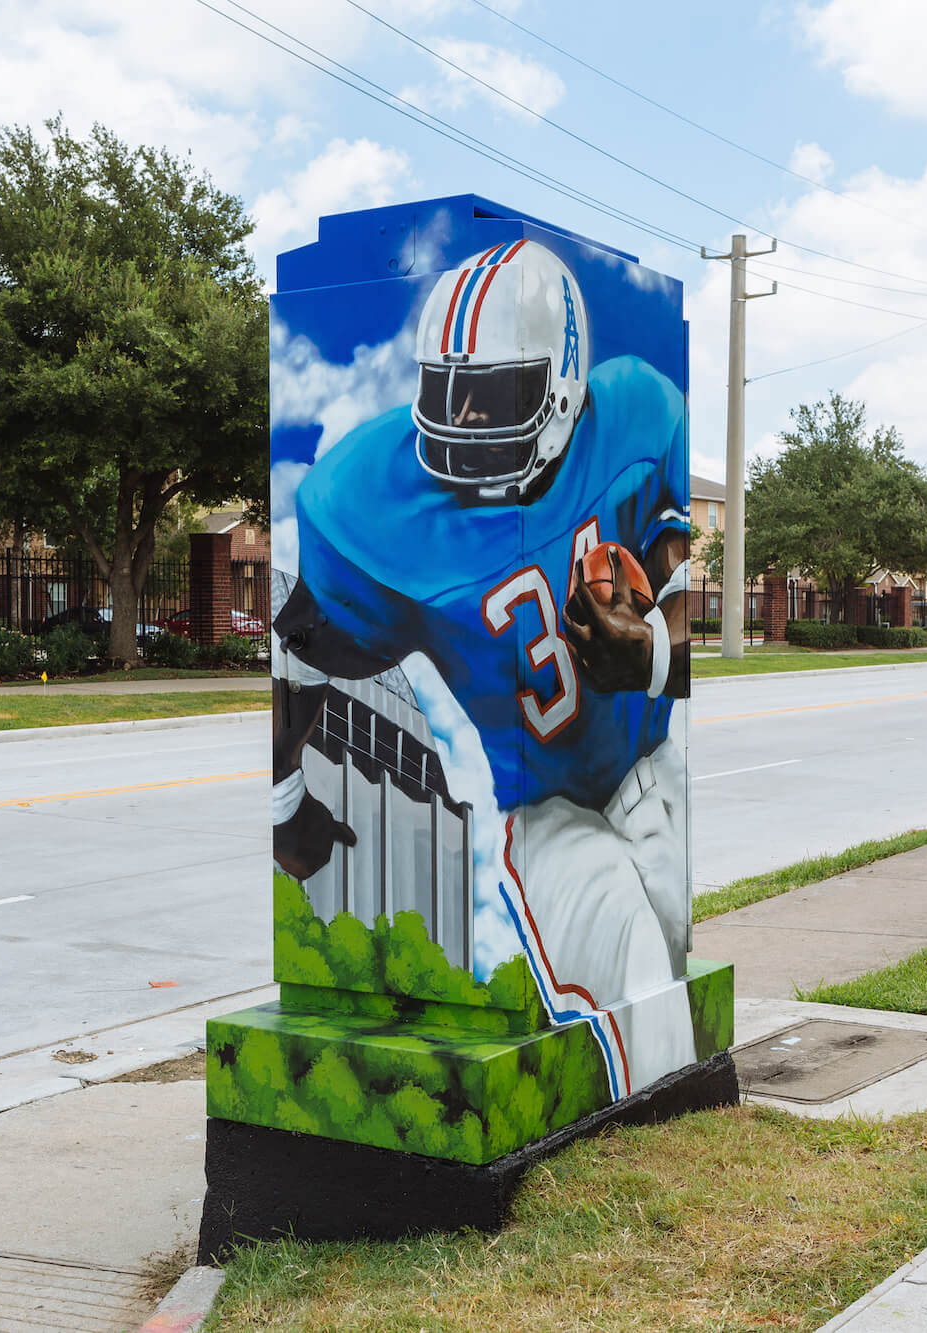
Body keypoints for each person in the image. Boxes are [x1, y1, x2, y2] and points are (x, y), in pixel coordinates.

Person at [271, 239, 696, 1096]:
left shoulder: (637, 414)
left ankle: (673, 1139)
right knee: (646, 988)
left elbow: (685, 580)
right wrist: (286, 801)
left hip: (646, 766)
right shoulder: (369, 500)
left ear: (565, 378)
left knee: (678, 944)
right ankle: (673, 1151)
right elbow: (302, 647)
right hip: (538, 815)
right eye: (448, 393)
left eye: (493, 394)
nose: (464, 423)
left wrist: (650, 652)